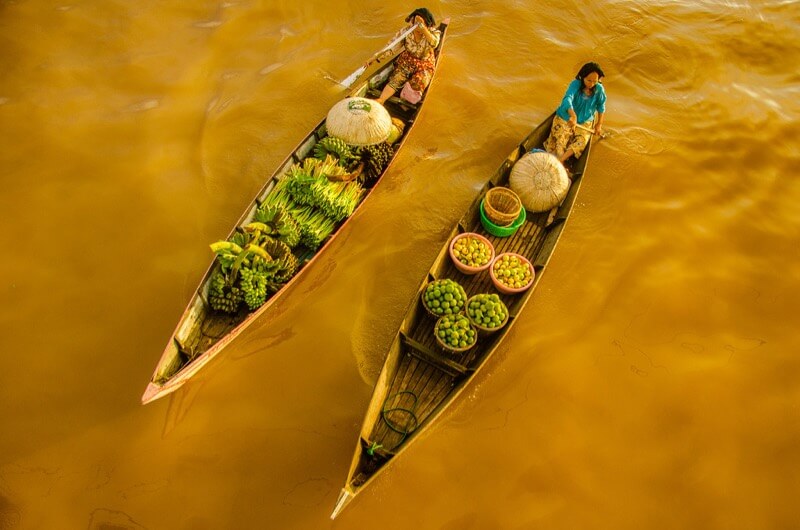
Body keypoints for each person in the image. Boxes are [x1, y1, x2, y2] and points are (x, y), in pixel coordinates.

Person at [543, 62, 607, 166]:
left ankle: (561, 160)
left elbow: (601, 107)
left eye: (595, 81)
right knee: (560, 140)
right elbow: (567, 99)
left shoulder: (599, 90)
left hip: (585, 122)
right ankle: (561, 159)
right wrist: (573, 115)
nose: (591, 84)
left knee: (581, 142)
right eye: (588, 80)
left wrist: (599, 124)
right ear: (582, 77)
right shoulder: (575, 84)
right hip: (566, 117)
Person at [374, 8, 440, 104]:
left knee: (418, 83)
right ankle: (381, 100)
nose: (416, 25)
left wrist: (424, 30)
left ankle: (406, 99)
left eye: (419, 23)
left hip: (424, 64)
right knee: (396, 79)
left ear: (426, 24)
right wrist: (376, 57)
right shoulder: (406, 32)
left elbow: (435, 43)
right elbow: (392, 47)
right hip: (406, 61)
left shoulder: (433, 33)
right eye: (414, 22)